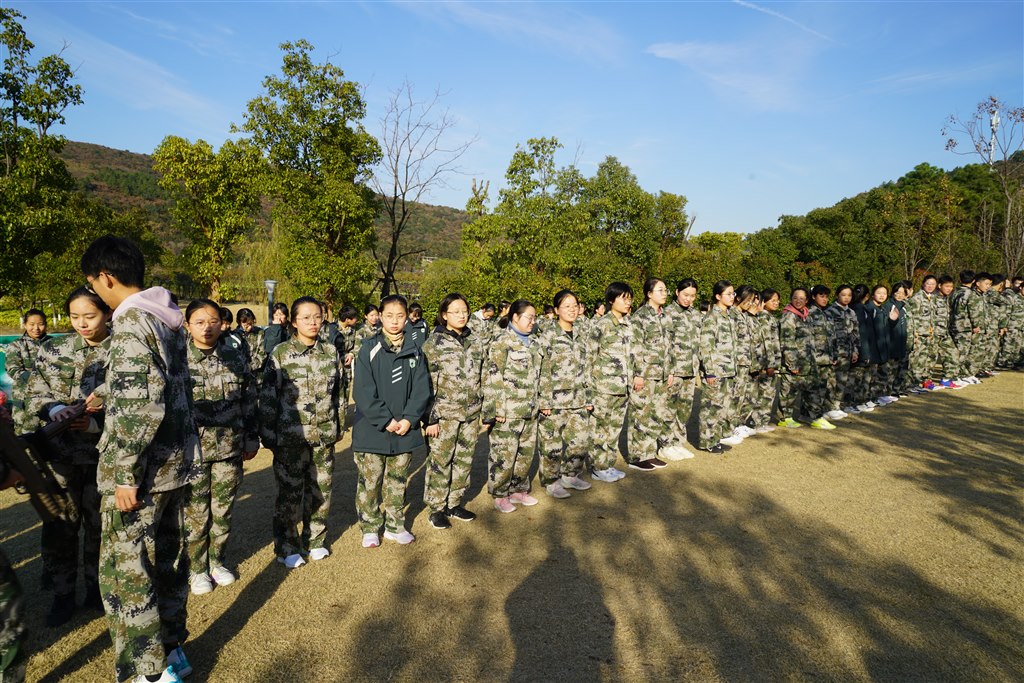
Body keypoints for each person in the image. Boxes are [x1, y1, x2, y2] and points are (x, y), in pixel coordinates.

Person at [81, 234, 199, 683]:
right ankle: (172, 652)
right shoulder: (164, 317)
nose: (95, 292)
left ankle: (148, 672)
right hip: (173, 466)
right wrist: (101, 393)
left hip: (143, 474)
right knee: (166, 561)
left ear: (106, 277)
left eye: (93, 284)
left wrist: (125, 474)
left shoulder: (132, 321)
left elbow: (141, 405)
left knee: (126, 572)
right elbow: (157, 382)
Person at [25, 287, 110, 627]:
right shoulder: (54, 349)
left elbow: (137, 406)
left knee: (100, 528)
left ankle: (96, 590)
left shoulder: (124, 351)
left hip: (103, 458)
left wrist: (94, 425)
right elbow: (34, 392)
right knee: (60, 527)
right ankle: (62, 594)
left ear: (107, 313)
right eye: (75, 317)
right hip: (61, 459)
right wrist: (54, 408)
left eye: (90, 316)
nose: (82, 324)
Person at [260, 297, 344, 567]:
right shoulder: (281, 354)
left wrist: (339, 424)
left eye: (317, 317)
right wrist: (268, 435)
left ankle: (315, 541)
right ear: (294, 322)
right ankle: (287, 547)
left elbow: (339, 393)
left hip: (323, 436)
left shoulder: (330, 351)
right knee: (289, 494)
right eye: (306, 317)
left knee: (321, 491)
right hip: (290, 438)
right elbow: (268, 397)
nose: (313, 322)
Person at [182, 300, 259, 595]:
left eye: (213, 321)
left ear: (222, 323)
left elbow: (249, 401)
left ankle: (217, 561)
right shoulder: (177, 361)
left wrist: (251, 438)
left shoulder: (235, 357)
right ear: (187, 325)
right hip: (192, 452)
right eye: (199, 322)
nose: (207, 327)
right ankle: (196, 568)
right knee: (196, 513)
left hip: (229, 448)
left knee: (223, 510)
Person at [352, 295, 430, 544]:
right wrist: (385, 420)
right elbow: (362, 391)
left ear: (407, 318)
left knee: (397, 481)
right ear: (380, 317)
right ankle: (370, 527)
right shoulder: (369, 348)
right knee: (370, 481)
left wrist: (409, 418)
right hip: (373, 429)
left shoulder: (415, 350)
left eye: (400, 316)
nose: (394, 321)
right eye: (389, 316)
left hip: (404, 429)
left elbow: (422, 389)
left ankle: (395, 525)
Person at [421, 293, 486, 528]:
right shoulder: (433, 344)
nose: (461, 315)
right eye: (455, 311)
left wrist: (484, 408)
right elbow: (425, 383)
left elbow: (483, 375)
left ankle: (454, 502)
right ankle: (437, 508)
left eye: (464, 311)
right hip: (443, 415)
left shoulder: (475, 341)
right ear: (444, 315)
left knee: (464, 460)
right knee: (440, 461)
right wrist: (429, 418)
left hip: (470, 413)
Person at [484, 300, 543, 513]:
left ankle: (518, 490)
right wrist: (497, 408)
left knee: (525, 453)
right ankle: (500, 494)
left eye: (534, 317)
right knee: (504, 454)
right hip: (508, 411)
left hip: (530, 408)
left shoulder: (534, 342)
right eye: (529, 317)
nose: (532, 321)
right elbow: (493, 375)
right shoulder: (501, 341)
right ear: (515, 317)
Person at [536, 290, 594, 500]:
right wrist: (544, 400)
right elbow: (542, 368)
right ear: (557, 310)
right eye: (567, 306)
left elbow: (587, 367)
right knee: (551, 446)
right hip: (554, 401)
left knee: (581, 441)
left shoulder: (581, 334)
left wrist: (588, 397)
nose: (572, 310)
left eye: (575, 305)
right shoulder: (548, 335)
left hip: (578, 399)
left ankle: (570, 475)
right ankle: (551, 481)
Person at [586, 283, 633, 482]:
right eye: (624, 298)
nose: (628, 302)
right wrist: (589, 389)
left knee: (614, 429)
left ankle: (608, 464)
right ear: (611, 300)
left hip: (623, 387)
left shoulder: (628, 324)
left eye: (629, 298)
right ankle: (598, 466)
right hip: (603, 388)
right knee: (600, 429)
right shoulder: (601, 325)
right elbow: (589, 357)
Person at [626, 278, 672, 470]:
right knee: (641, 414)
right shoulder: (640, 316)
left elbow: (669, 346)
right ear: (649, 294)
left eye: (665, 290)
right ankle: (637, 456)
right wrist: (638, 374)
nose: (664, 293)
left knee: (657, 414)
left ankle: (650, 453)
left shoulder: (665, 316)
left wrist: (670, 371)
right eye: (660, 290)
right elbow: (636, 347)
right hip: (645, 374)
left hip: (661, 374)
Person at [697, 280, 741, 451]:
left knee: (722, 407)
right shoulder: (712, 317)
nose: (732, 297)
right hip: (716, 371)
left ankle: (715, 439)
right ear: (718, 296)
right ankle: (707, 442)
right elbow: (705, 346)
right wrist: (709, 371)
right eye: (728, 294)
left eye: (733, 293)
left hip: (728, 370)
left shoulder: (729, 316)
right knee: (711, 408)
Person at [663, 279, 701, 457]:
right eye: (685, 295)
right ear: (677, 292)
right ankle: (666, 444)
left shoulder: (695, 314)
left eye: (692, 296)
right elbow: (665, 344)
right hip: (675, 370)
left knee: (685, 409)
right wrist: (668, 370)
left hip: (691, 370)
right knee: (669, 407)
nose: (688, 299)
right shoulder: (667, 313)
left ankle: (678, 442)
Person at [5, 308, 52, 433]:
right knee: (25, 435)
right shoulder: (16, 345)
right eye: (31, 324)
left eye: (40, 324)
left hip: (51, 398)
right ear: (25, 325)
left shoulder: (55, 343)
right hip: (25, 398)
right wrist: (39, 380)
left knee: (51, 432)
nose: (36, 328)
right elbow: (13, 370)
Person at [777, 288, 818, 428]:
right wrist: (792, 364)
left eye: (802, 298)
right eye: (795, 297)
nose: (798, 301)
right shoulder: (789, 316)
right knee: (789, 391)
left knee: (808, 390)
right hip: (794, 363)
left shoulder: (806, 315)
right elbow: (787, 342)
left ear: (806, 300)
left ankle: (807, 415)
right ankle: (785, 418)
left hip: (807, 362)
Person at [807, 285, 842, 427]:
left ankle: (815, 413)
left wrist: (834, 354)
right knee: (814, 389)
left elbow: (832, 336)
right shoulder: (809, 313)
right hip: (815, 358)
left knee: (823, 387)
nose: (825, 299)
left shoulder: (827, 313)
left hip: (827, 358)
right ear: (813, 297)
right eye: (821, 296)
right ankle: (814, 416)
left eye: (826, 296)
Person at [825, 285, 862, 413]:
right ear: (837, 295)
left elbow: (855, 333)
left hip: (848, 352)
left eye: (849, 295)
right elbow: (827, 335)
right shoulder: (830, 311)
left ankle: (836, 405)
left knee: (842, 379)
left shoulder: (851, 312)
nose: (846, 298)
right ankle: (828, 407)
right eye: (843, 295)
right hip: (835, 353)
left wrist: (855, 350)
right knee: (831, 381)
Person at [749, 288, 782, 431]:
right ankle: (757, 422)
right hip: (766, 362)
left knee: (769, 393)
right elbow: (766, 342)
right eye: (772, 300)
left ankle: (763, 421)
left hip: (771, 361)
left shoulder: (770, 317)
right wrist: (770, 364)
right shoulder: (763, 317)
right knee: (764, 393)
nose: (776, 303)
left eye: (777, 300)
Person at [234, 308, 266, 377]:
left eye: (251, 323)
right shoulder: (234, 335)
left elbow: (262, 354)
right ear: (239, 322)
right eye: (246, 325)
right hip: (238, 374)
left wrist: (249, 367)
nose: (250, 327)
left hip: (256, 374)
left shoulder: (260, 333)